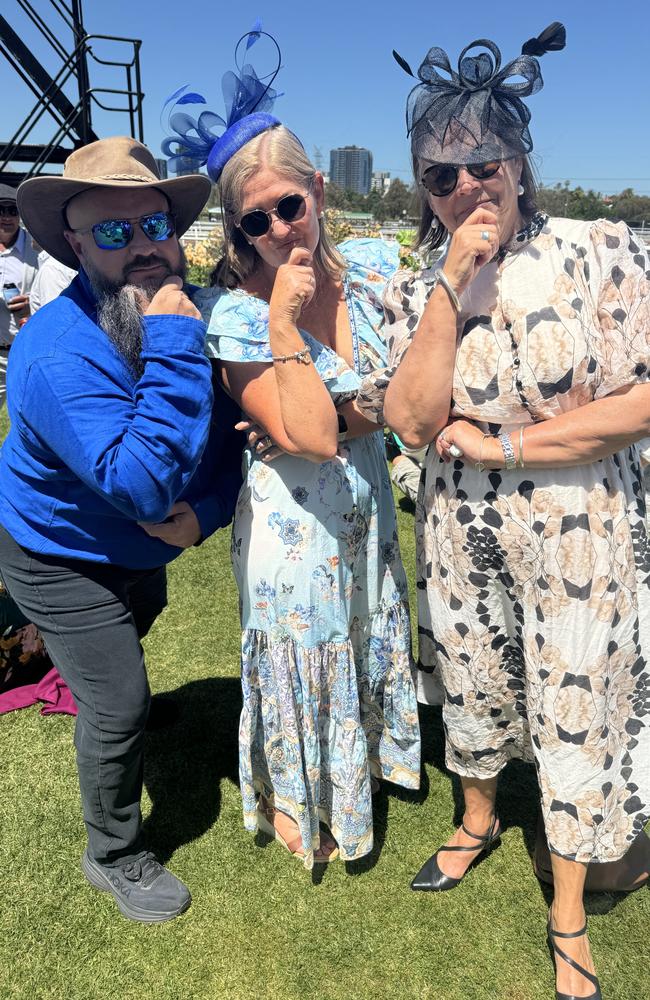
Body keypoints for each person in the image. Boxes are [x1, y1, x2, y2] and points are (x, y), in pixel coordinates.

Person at [358, 23, 649, 1000]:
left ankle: (566, 916)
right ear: (420, 189)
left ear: (518, 163)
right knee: (476, 685)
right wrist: (448, 281)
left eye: (482, 164)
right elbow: (405, 420)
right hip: (458, 531)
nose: (465, 189)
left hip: (576, 526)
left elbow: (639, 400)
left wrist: (505, 445)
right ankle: (477, 819)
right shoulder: (414, 283)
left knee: (572, 708)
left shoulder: (598, 252)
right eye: (440, 177)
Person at [163, 27, 420, 868]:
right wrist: (284, 319)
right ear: (237, 228)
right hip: (291, 531)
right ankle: (295, 793)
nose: (278, 228)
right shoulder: (237, 316)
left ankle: (364, 768)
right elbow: (309, 432)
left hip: (367, 511)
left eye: (290, 205)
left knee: (361, 630)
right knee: (304, 648)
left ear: (317, 190)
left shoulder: (375, 276)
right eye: (255, 219)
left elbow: (419, 397)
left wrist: (358, 411)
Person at [0, 136, 242, 922]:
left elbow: (223, 440)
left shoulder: (182, 309)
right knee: (119, 703)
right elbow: (138, 485)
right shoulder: (53, 352)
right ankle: (113, 853)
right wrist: (176, 339)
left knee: (147, 613)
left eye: (154, 225)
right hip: (54, 552)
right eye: (112, 232)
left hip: (132, 544)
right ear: (74, 244)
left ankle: (104, 680)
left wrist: (203, 515)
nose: (141, 247)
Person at [0, 182, 39, 406]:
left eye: (12, 210)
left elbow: (58, 293)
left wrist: (32, 305)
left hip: (27, 351)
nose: (7, 217)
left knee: (30, 418)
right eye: (1, 210)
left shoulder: (39, 249)